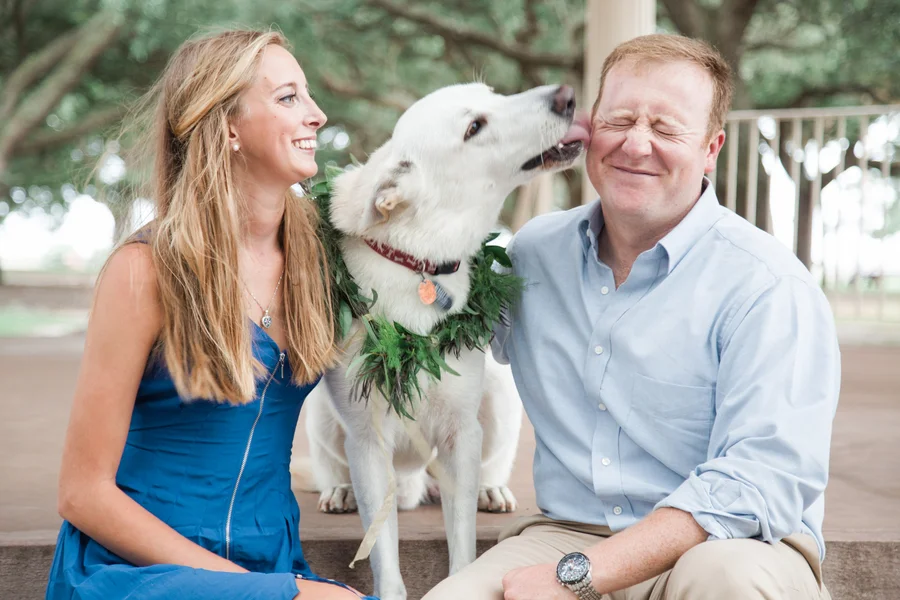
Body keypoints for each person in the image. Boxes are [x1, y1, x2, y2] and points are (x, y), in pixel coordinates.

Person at [424, 33, 840, 600]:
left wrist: (578, 577)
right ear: (591, 127)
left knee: (728, 584)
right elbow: (432, 323)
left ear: (711, 147)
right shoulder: (532, 254)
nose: (636, 145)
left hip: (728, 542)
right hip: (568, 532)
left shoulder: (768, 286)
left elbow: (761, 479)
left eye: (666, 129)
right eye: (619, 120)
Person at [45, 30, 375, 600]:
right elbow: (82, 492)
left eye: (309, 96)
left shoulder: (321, 260)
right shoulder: (144, 272)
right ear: (227, 126)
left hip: (268, 561)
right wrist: (272, 592)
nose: (317, 115)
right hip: (143, 570)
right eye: (288, 97)